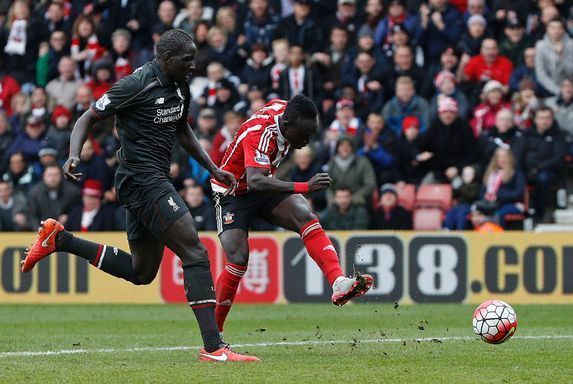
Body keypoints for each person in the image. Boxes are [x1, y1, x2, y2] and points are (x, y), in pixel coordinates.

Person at [21, 29, 258, 363]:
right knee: (194, 252)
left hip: (152, 180)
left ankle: (61, 241)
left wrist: (213, 167)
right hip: (140, 179)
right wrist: (74, 154)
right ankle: (213, 347)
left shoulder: (179, 85)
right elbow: (88, 117)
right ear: (167, 58)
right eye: (187, 59)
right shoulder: (135, 84)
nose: (193, 65)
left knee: (141, 272)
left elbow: (182, 128)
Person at [210, 95, 373, 334]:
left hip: (262, 182)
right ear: (286, 126)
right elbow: (255, 182)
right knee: (238, 259)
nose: (306, 142)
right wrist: (305, 187)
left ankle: (339, 282)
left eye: (311, 135)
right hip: (232, 191)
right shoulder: (260, 134)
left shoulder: (286, 111)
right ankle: (214, 336)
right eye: (303, 135)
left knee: (305, 216)